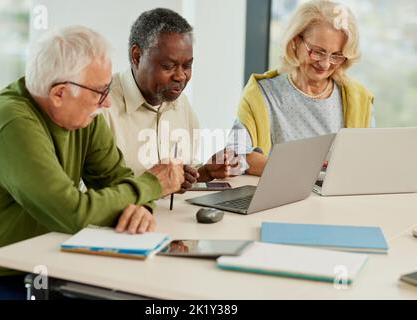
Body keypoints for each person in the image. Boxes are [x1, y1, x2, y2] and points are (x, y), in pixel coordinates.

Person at [0, 26, 184, 300]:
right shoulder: (11, 123)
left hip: (54, 261)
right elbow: (74, 213)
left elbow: (120, 181)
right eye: (100, 92)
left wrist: (142, 207)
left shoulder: (82, 117)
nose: (105, 104)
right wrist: (152, 185)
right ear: (59, 93)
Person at [227, 0, 375, 176]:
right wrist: (303, 171)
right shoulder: (262, 93)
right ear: (295, 41)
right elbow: (235, 155)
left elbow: (367, 160)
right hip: (282, 197)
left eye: (336, 55)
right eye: (318, 51)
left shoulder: (358, 98)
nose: (325, 63)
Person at [102, 8, 240, 191]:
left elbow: (181, 173)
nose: (181, 76)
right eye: (168, 66)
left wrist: (203, 172)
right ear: (137, 56)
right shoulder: (101, 106)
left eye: (187, 66)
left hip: (173, 217)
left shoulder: (180, 104)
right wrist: (152, 185)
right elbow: (90, 193)